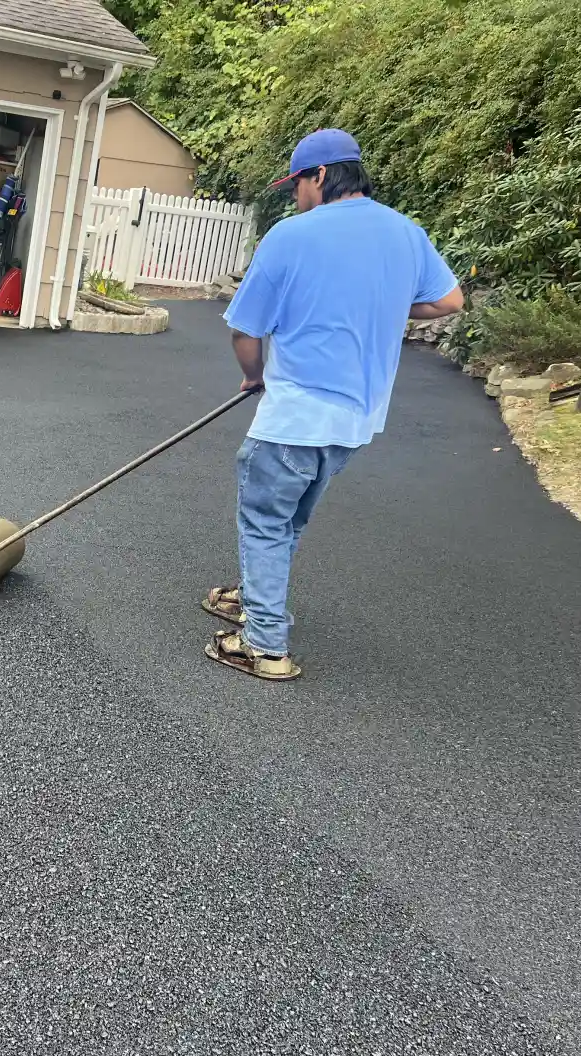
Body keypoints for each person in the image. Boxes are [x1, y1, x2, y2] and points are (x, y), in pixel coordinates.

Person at [202, 128, 464, 682]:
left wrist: (253, 378)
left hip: (295, 414)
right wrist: (389, 308)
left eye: (297, 183)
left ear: (319, 175)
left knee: (266, 521)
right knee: (288, 518)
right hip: (353, 424)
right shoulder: (406, 233)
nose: (294, 195)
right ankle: (255, 598)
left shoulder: (292, 236)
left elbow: (245, 331)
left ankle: (264, 645)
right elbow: (449, 300)